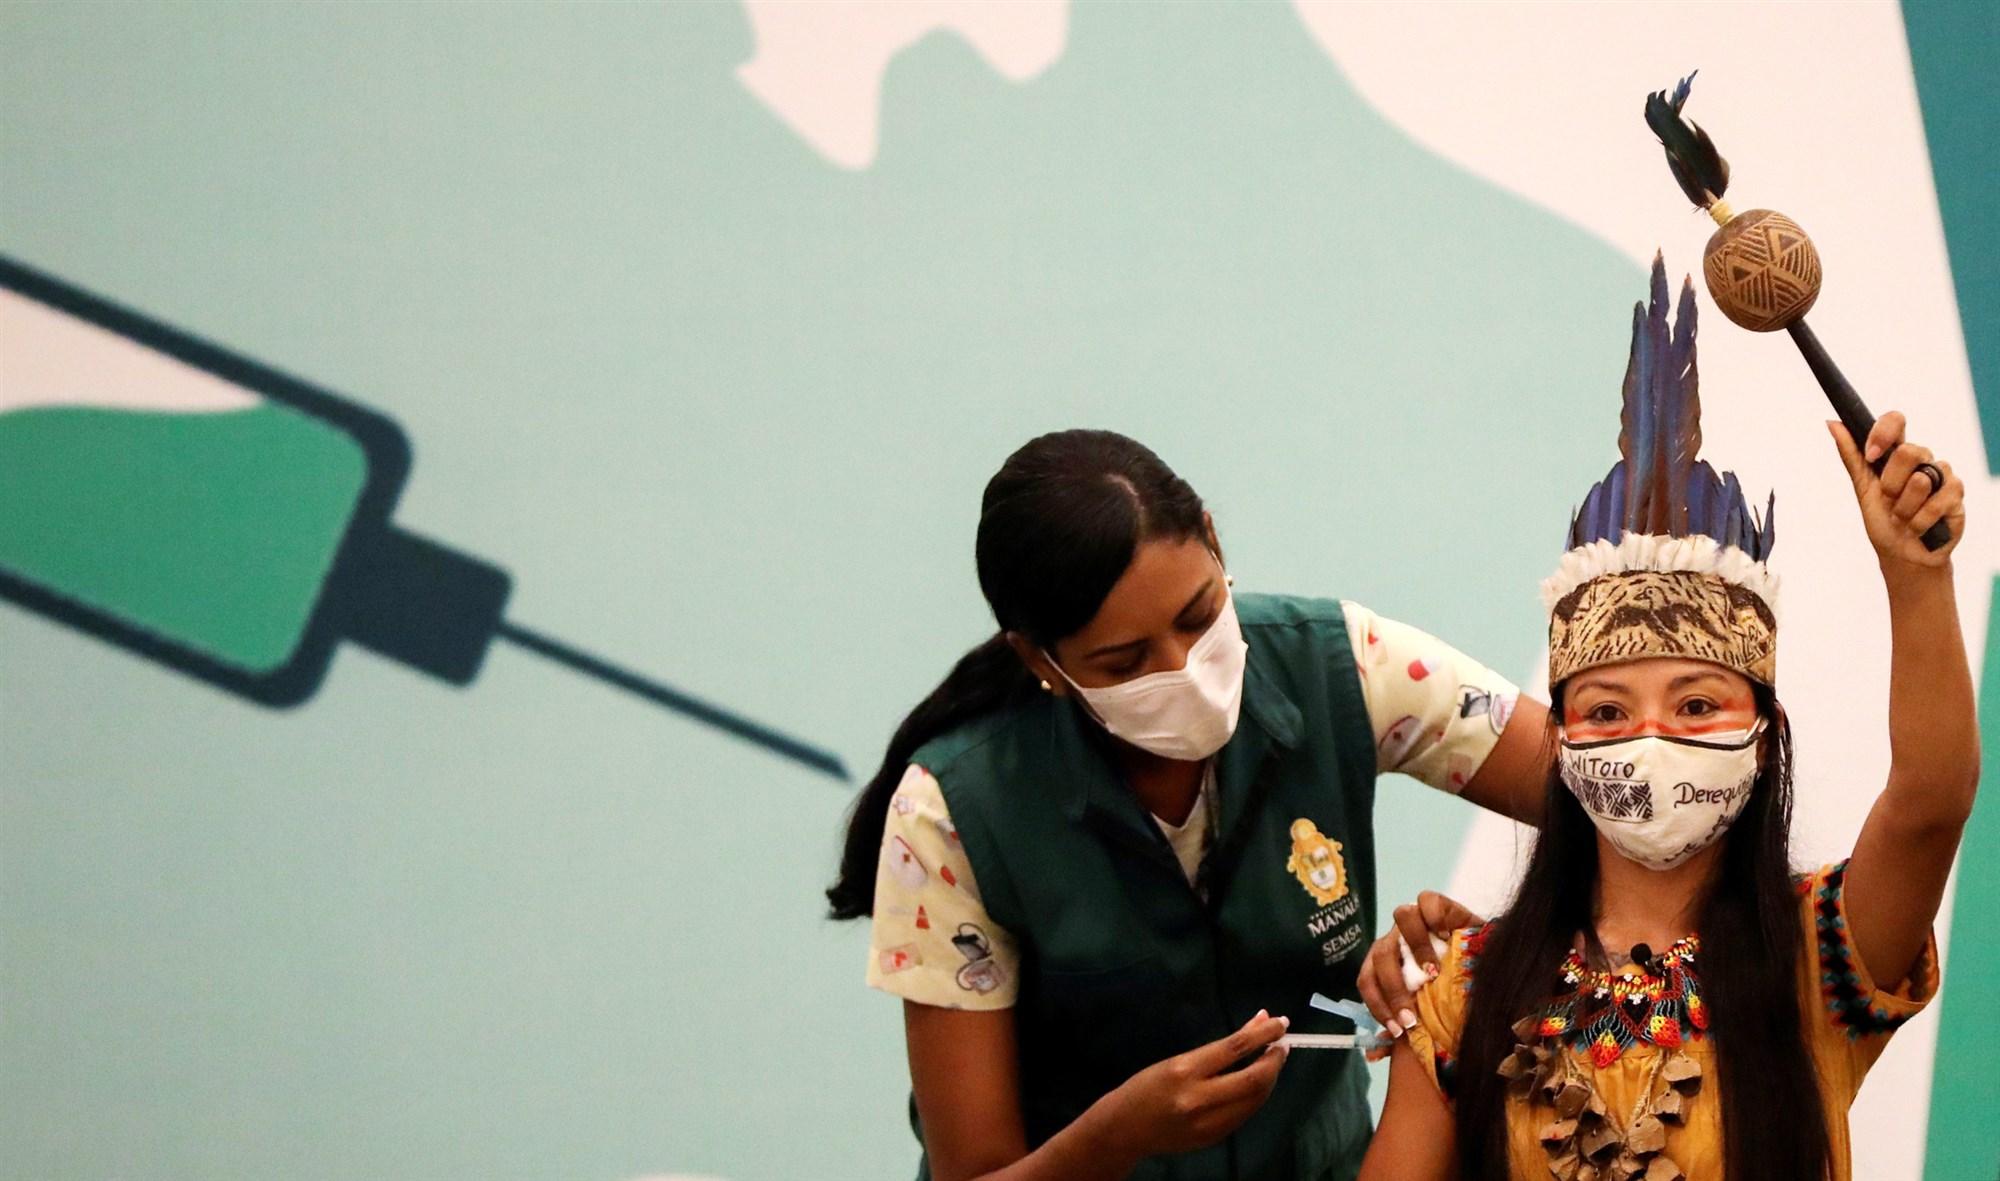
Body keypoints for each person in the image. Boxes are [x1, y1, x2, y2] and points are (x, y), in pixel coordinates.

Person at [1359, 257, 1976, 1181]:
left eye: (1696, 703)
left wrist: (1916, 575)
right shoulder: (1463, 989)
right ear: (1559, 739)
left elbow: (1931, 798)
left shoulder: (1819, 951)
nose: (1652, 735)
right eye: (1607, 708)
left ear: (1762, 732)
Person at [827, 427, 1551, 1180]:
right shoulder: (951, 813)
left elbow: (1618, 802)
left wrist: (1481, 950)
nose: (1184, 671)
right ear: (1040, 660)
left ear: (1212, 538)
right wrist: (1115, 1135)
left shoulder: (1344, 664)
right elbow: (973, 1170)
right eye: (1125, 661)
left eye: (1199, 615)